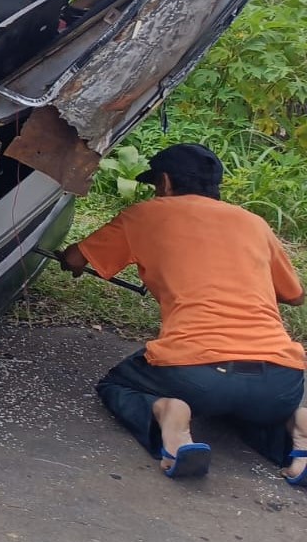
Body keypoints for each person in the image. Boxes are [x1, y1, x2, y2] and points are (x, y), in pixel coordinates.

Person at [62, 143, 307, 482]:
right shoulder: (255, 224)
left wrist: (69, 260)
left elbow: (74, 259)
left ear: (164, 182)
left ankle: (168, 416)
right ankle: (295, 428)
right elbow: (295, 297)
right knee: (250, 409)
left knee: (117, 385)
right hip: (282, 379)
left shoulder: (146, 214)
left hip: (195, 372)